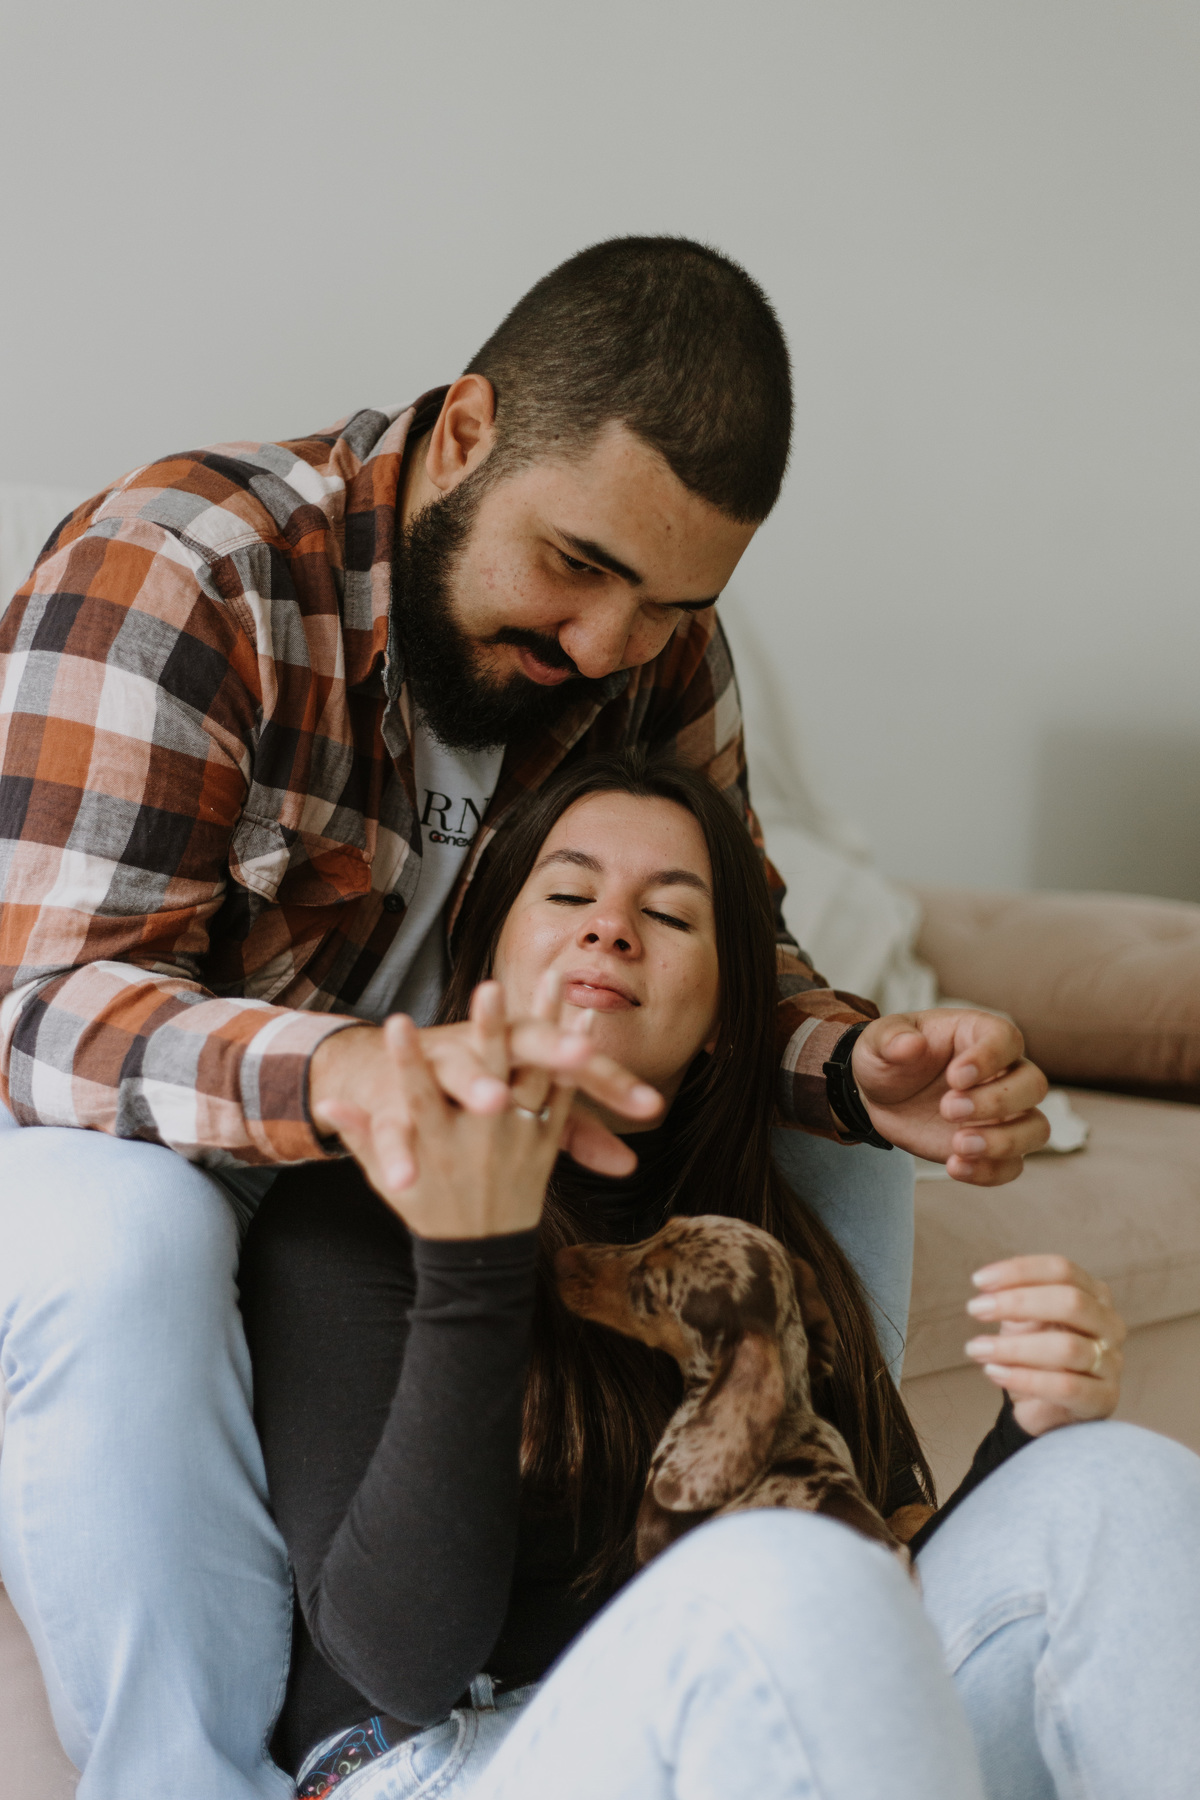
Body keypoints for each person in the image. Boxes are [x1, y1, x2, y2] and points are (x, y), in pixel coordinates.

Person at [0, 239, 1049, 1797]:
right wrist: (355, 1073)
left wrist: (851, 1064)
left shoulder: (654, 646)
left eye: (670, 603)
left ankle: (797, 1604)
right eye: (577, 566)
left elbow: (726, 952)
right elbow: (44, 1013)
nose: (611, 648)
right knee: (126, 1234)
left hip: (446, 1124)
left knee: (838, 1153)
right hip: (152, 1128)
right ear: (470, 430)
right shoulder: (187, 571)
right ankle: (190, 1772)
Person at [241, 751, 1200, 1800]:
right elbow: (399, 1665)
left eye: (671, 915)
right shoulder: (352, 1211)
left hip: (781, 1724)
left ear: (724, 1022)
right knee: (783, 1568)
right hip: (447, 1759)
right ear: (483, 966)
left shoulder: (759, 1241)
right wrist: (475, 1269)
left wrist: (1030, 1428)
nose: (611, 928)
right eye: (568, 895)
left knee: (1116, 1480)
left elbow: (884, 1585)